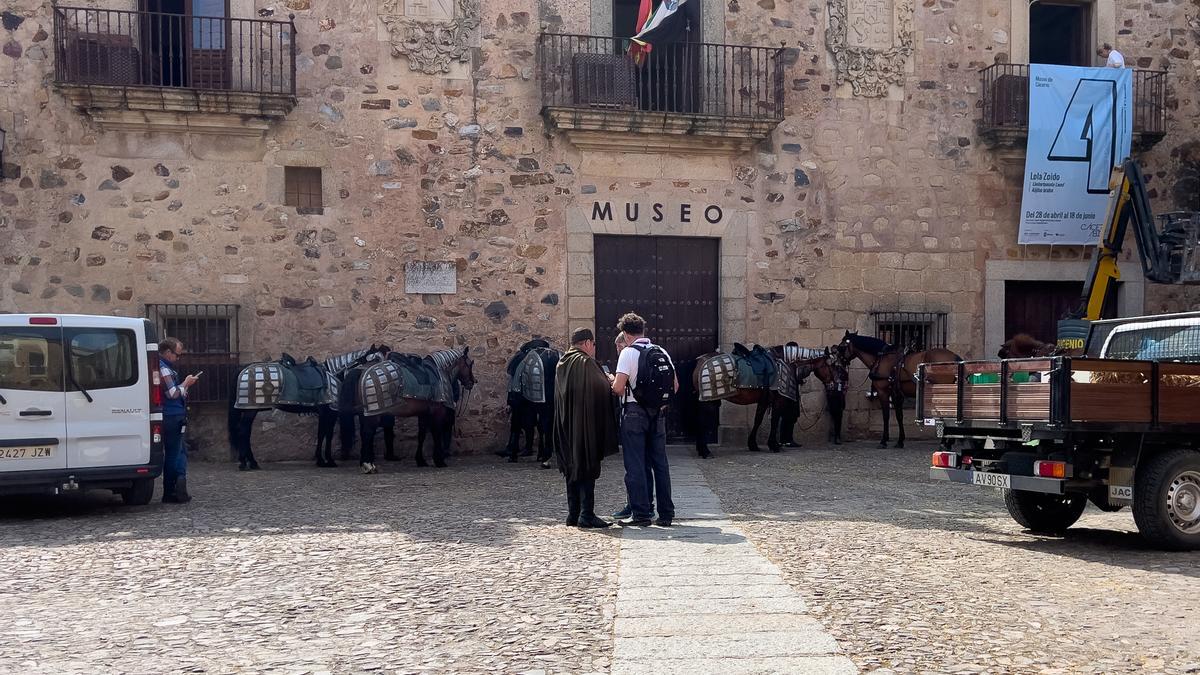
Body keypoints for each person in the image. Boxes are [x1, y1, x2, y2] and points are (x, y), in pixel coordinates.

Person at [611, 312, 677, 527]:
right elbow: (675, 386)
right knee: (660, 463)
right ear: (643, 331)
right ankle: (666, 513)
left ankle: (641, 514)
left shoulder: (628, 353)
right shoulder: (661, 351)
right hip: (657, 414)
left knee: (636, 464)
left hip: (634, 413)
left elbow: (619, 389)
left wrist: (612, 381)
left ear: (625, 333)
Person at [552, 327, 619, 529]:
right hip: (584, 424)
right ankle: (586, 514)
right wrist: (610, 381)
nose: (594, 349)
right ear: (587, 343)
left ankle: (573, 514)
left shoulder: (562, 362)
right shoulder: (585, 362)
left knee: (572, 465)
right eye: (594, 344)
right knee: (587, 464)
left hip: (566, 423)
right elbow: (599, 387)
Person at [159, 338, 198, 504]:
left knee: (178, 451)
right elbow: (173, 393)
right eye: (177, 355)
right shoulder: (164, 369)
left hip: (173, 414)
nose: (178, 358)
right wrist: (186, 383)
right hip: (172, 415)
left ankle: (176, 487)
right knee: (176, 453)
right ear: (168, 353)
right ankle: (174, 489)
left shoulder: (166, 368)